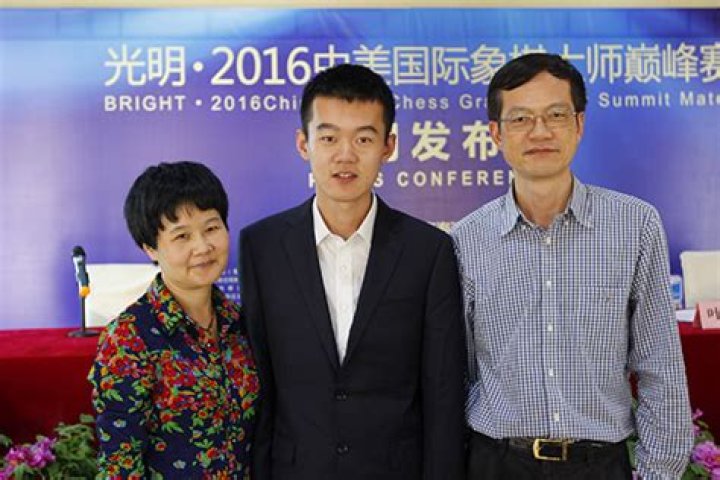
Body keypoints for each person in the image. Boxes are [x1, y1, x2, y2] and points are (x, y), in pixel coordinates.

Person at [451, 52, 693, 479]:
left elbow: (660, 365)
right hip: (497, 463)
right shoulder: (466, 239)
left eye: (556, 115)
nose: (540, 131)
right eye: (521, 118)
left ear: (579, 124)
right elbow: (458, 371)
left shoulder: (634, 225)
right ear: (496, 134)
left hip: (598, 464)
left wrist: (660, 472)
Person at [239, 63, 466, 480]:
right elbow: (261, 387)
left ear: (389, 146)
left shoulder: (428, 252)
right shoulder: (262, 247)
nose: (345, 155)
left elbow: (442, 392)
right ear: (303, 143)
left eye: (363, 138)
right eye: (328, 138)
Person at [88, 161, 259, 478]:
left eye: (211, 228)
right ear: (150, 248)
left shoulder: (240, 323)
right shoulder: (128, 340)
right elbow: (120, 465)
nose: (203, 247)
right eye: (182, 236)